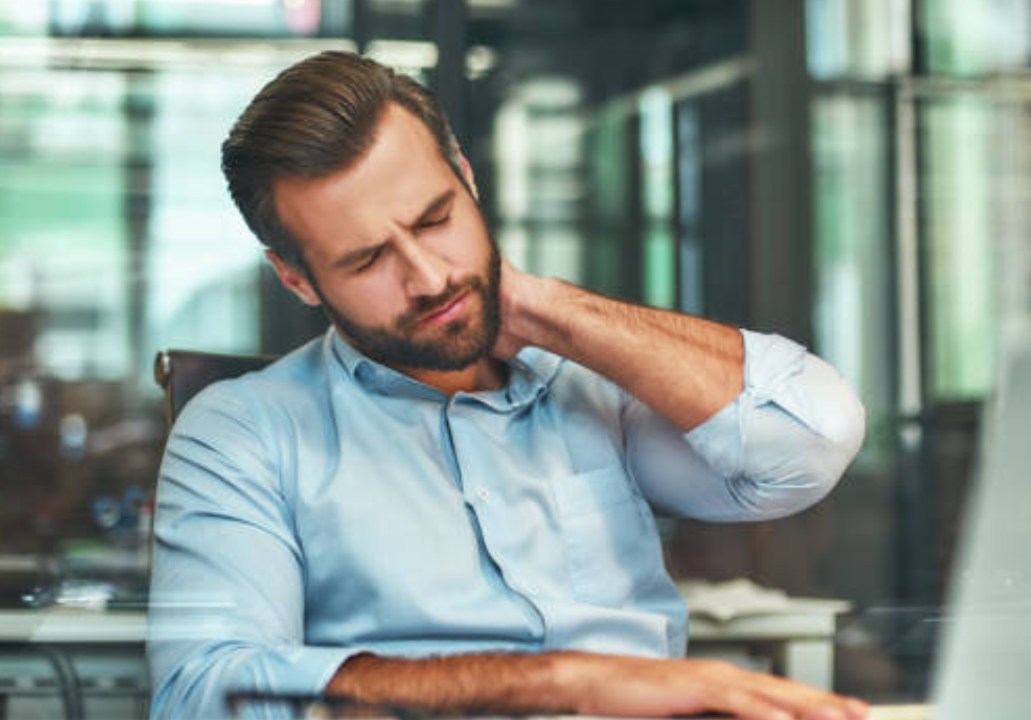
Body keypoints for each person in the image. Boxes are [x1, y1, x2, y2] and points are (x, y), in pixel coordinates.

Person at [149, 51, 868, 720]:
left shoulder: (594, 386)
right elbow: (205, 692)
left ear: (466, 175)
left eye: (436, 220)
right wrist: (564, 680)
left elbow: (810, 446)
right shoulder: (244, 430)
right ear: (298, 278)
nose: (430, 279)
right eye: (368, 260)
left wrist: (537, 308)